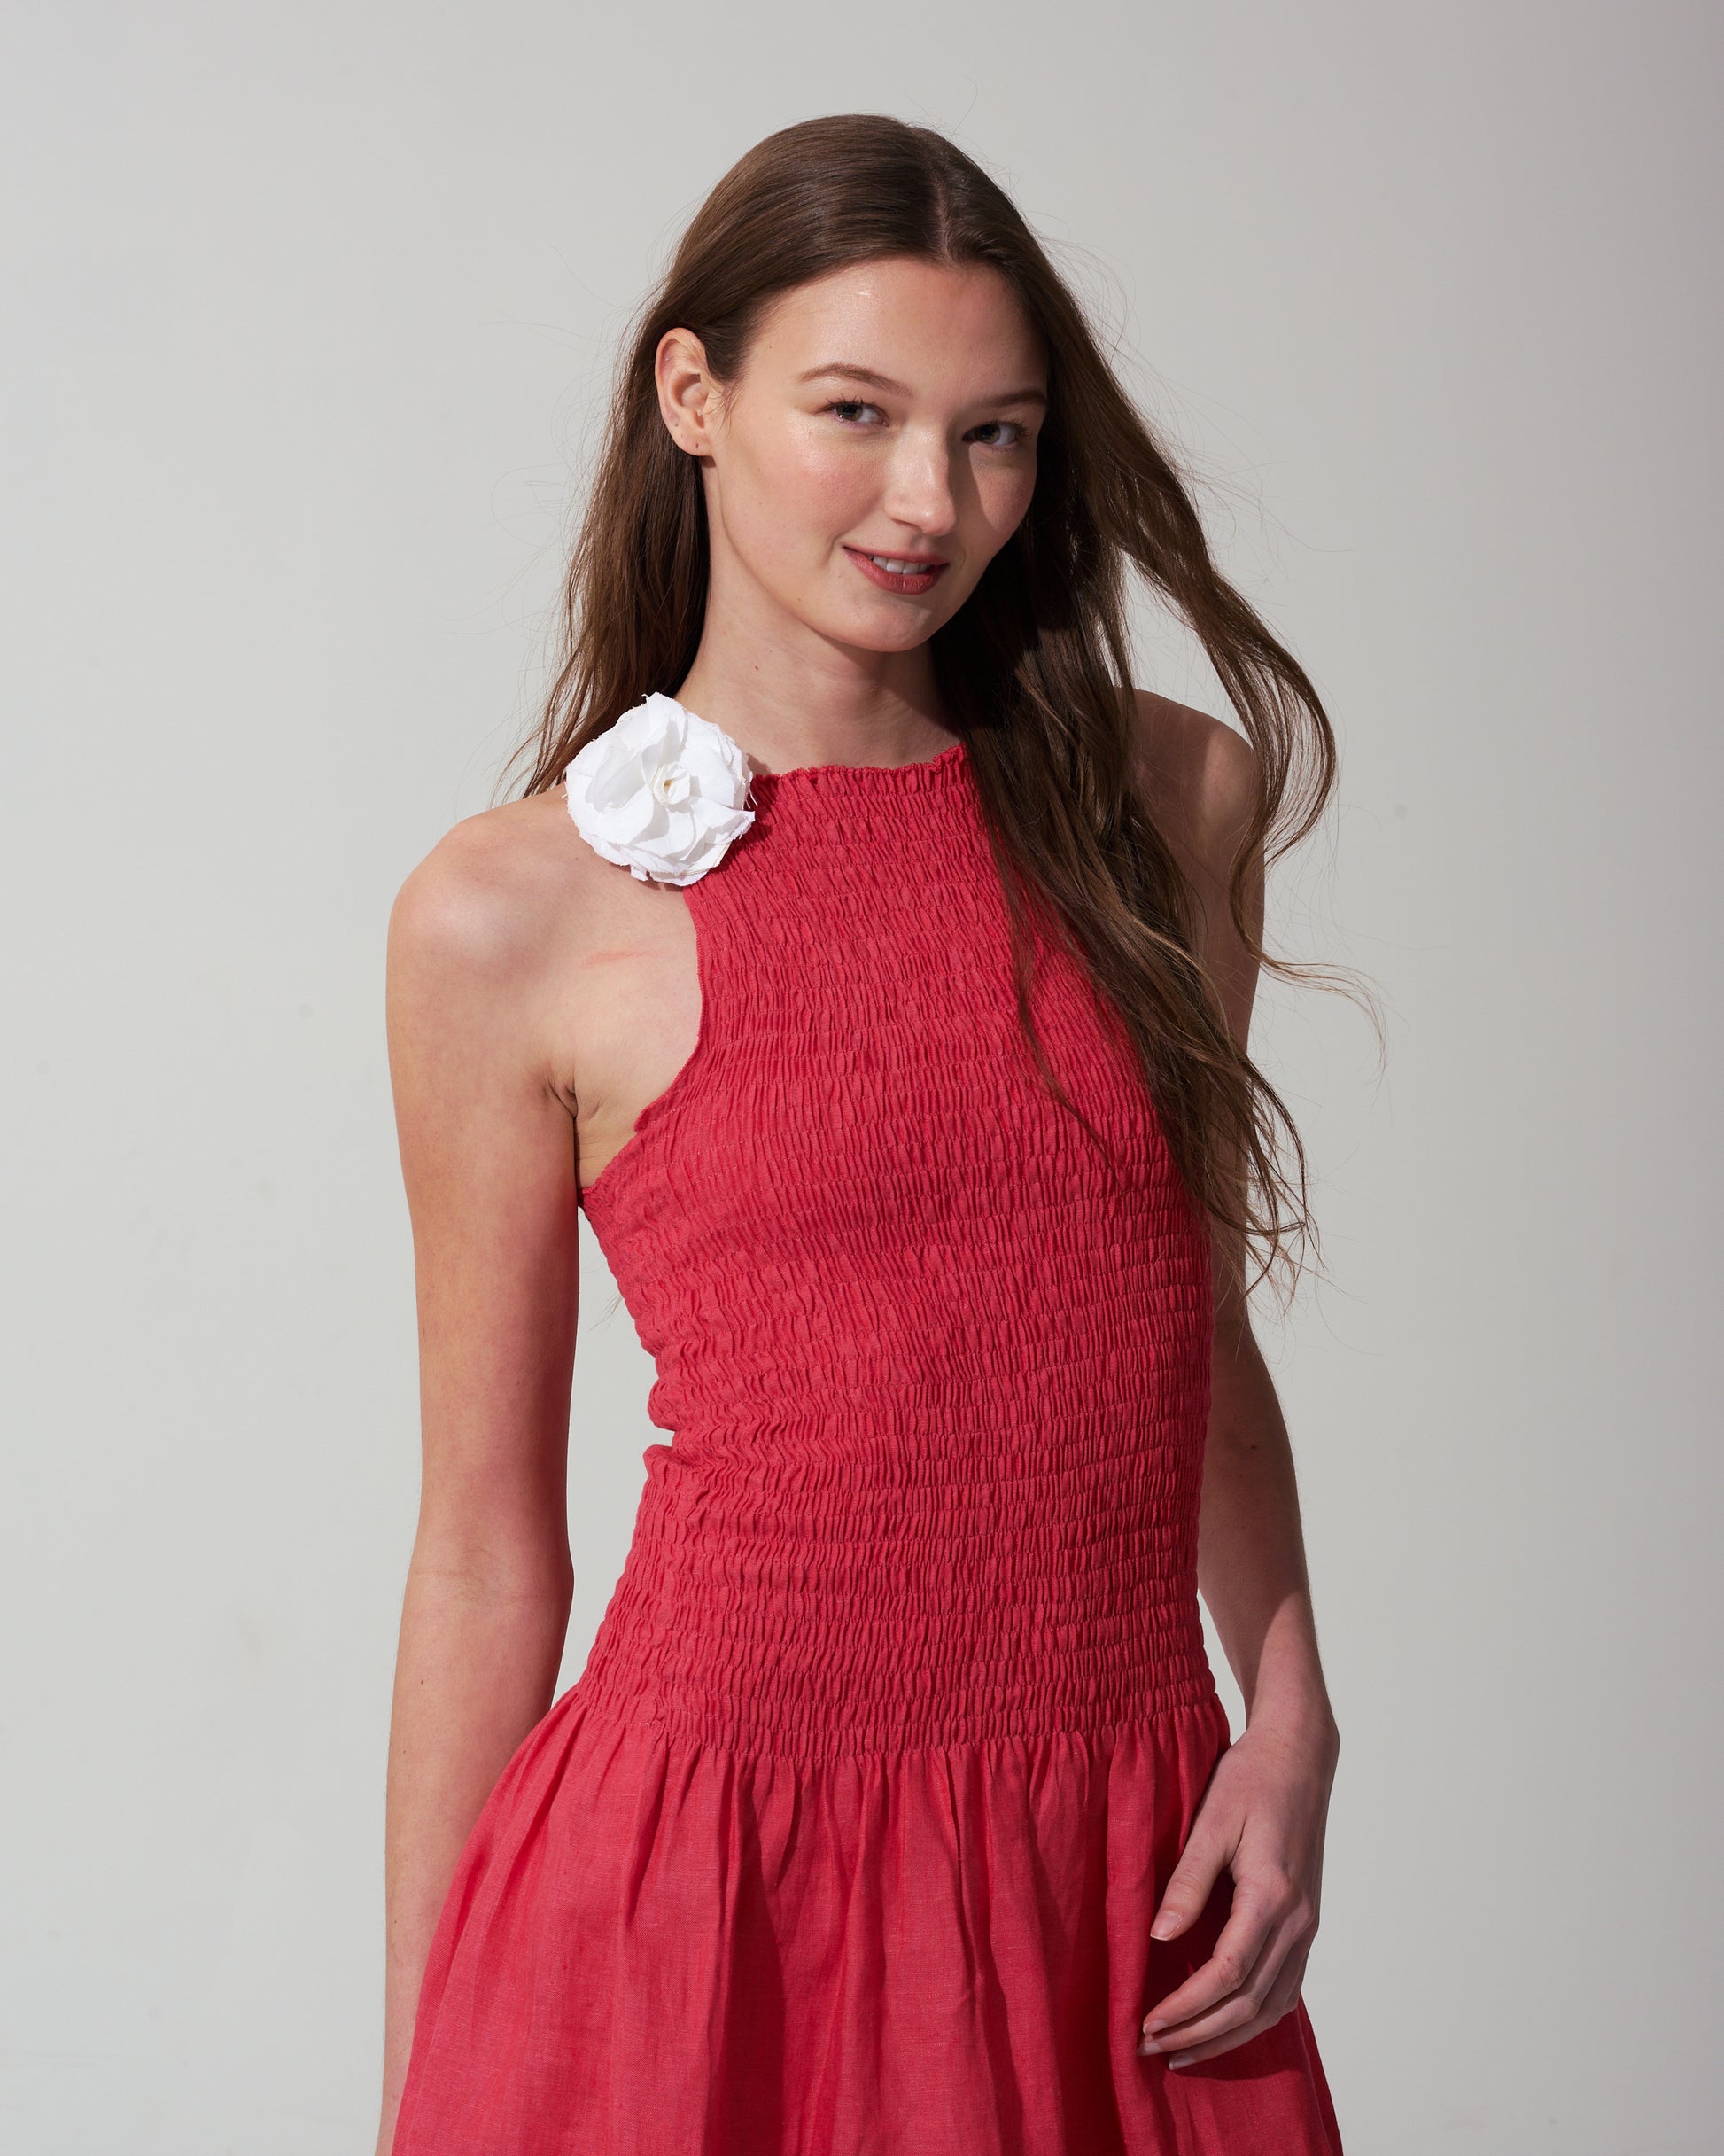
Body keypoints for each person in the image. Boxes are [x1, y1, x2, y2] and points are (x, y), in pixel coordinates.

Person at [377, 112, 1347, 2155]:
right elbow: (481, 1542)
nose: (930, 500)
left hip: (1120, 1877)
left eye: (996, 436)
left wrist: (1287, 1706)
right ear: (694, 396)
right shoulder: (508, 913)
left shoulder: (1172, 808)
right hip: (709, 1889)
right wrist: (428, 2068)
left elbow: (1183, 1315)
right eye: (856, 413)